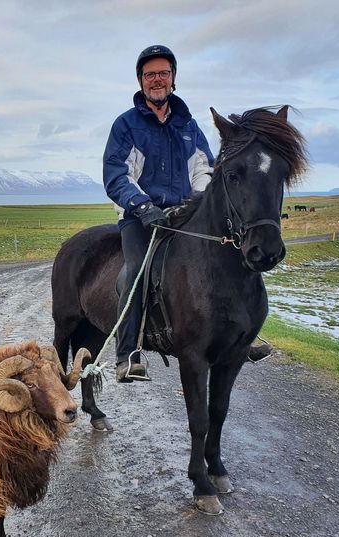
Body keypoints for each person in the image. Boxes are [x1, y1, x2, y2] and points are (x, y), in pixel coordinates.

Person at [103, 45, 215, 382]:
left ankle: (238, 335)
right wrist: (143, 206)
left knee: (223, 258)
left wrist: (198, 201)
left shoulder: (188, 125)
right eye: (150, 74)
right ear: (141, 80)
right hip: (140, 217)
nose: (157, 79)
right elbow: (117, 175)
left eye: (163, 73)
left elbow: (204, 169)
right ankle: (128, 355)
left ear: (173, 79)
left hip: (183, 216)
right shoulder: (126, 125)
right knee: (136, 270)